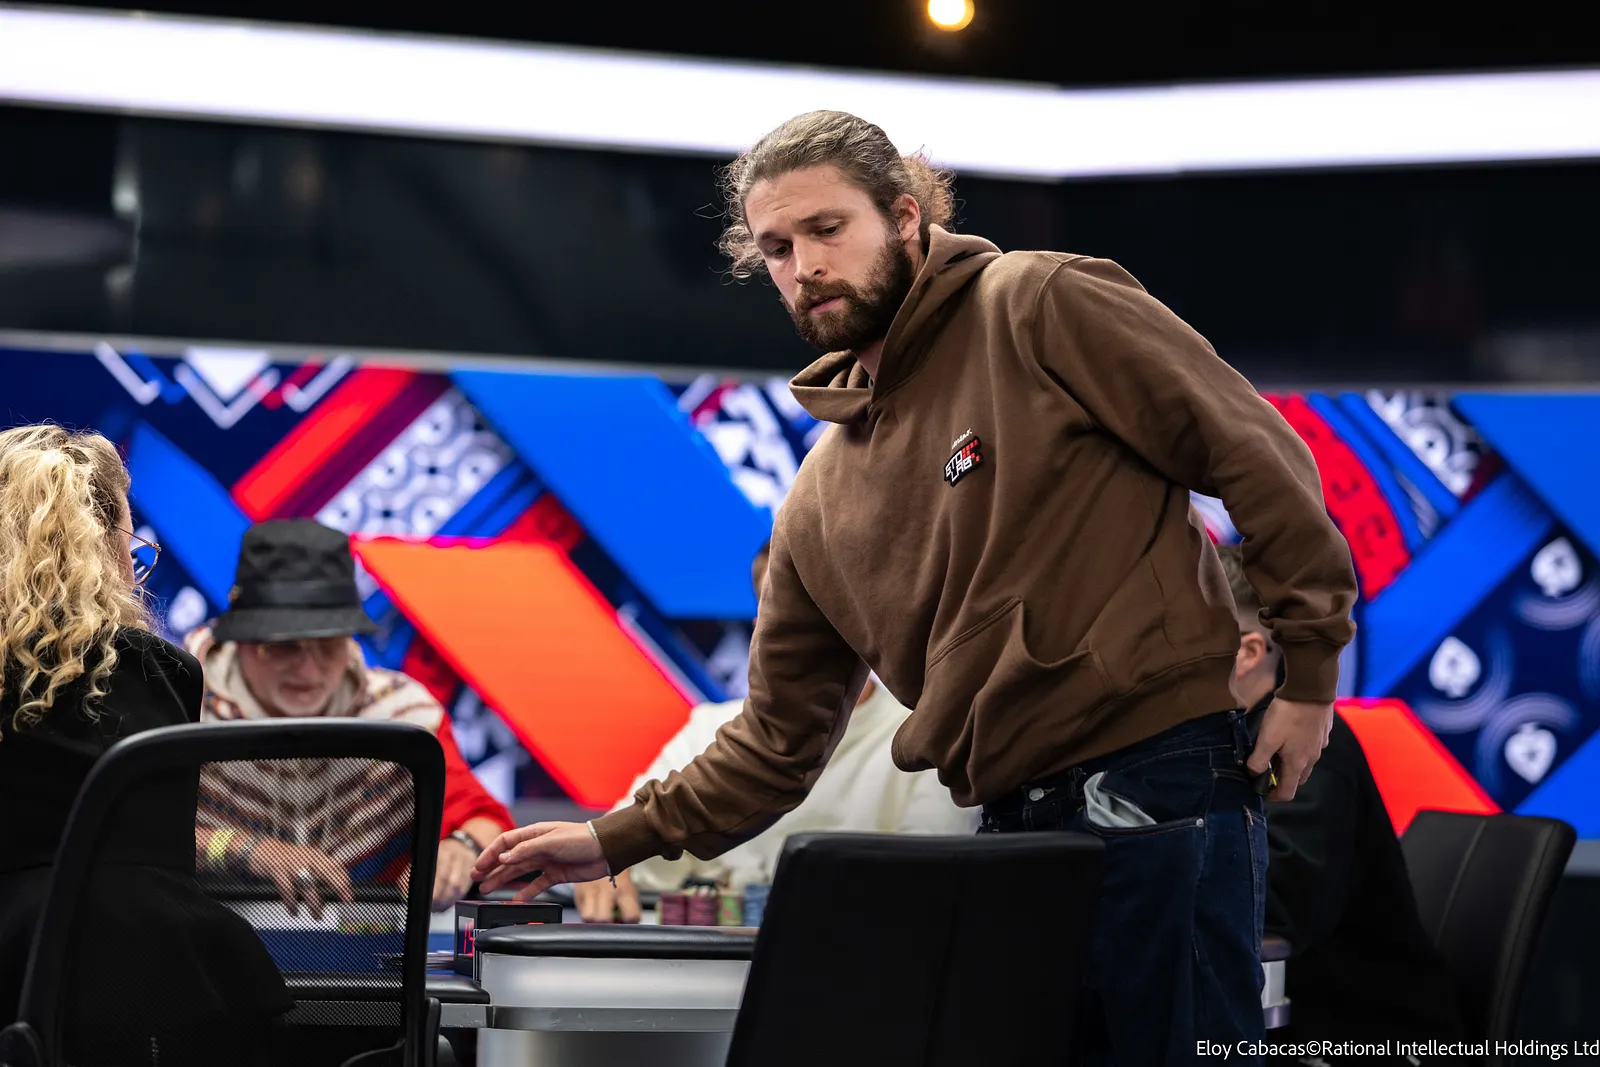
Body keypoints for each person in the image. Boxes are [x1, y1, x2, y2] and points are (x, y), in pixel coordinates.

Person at [474, 110, 1359, 1063]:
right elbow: (776, 742)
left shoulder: (1036, 303)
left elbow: (1255, 451)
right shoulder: (816, 500)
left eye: (827, 228)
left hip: (1162, 780)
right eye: (777, 248)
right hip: (1011, 827)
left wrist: (1310, 675)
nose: (805, 266)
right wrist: (613, 839)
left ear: (904, 218)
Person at [0, 425, 292, 1066]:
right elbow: (161, 862)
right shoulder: (167, 672)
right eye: (133, 551)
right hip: (155, 1003)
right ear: (105, 546)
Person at [574, 544, 977, 923]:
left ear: (864, 620)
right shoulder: (708, 728)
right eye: (787, 614)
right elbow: (624, 853)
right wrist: (610, 858)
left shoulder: (927, 735)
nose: (809, 635)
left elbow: (931, 883)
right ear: (761, 630)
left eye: (823, 610)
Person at [184, 519, 514, 914]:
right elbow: (134, 835)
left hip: (365, 948)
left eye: (328, 644)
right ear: (240, 638)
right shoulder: (179, 706)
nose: (309, 670)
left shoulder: (402, 716)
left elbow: (484, 819)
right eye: (283, 645)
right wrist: (242, 848)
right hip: (207, 945)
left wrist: (461, 848)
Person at [1218, 544, 1464, 1052]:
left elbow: (1278, 909)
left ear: (1247, 653)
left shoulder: (1304, 747)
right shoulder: (1219, 740)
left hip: (1359, 1037)